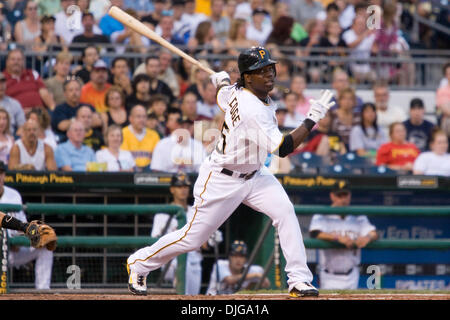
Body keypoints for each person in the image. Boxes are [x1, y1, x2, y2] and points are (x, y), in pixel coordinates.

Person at [126, 46, 336, 297]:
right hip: (222, 179)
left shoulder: (238, 91)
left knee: (285, 211)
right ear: (248, 77)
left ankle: (299, 280)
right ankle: (140, 262)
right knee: (192, 239)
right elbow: (283, 148)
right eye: (262, 70)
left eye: (271, 68)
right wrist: (311, 119)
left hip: (255, 175)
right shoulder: (252, 109)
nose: (270, 74)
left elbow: (223, 96)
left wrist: (222, 81)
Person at [150, 172, 221, 294]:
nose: (183, 190)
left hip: (194, 258)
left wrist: (208, 239)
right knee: (184, 272)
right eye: (179, 187)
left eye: (185, 186)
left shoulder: (196, 212)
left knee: (192, 295)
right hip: (171, 260)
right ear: (172, 189)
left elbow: (213, 239)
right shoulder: (162, 214)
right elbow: (155, 240)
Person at [309, 182, 378, 290]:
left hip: (352, 274)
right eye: (339, 195)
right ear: (332, 196)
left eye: (345, 195)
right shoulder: (323, 214)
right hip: (329, 275)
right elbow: (315, 232)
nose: (342, 199)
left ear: (349, 195)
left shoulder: (358, 216)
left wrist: (367, 237)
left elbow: (374, 232)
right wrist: (338, 238)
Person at [0, 161, 54, 289]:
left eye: (0, 173)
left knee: (45, 246)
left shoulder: (13, 195)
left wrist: (19, 240)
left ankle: (43, 292)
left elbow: (22, 225)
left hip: (14, 250)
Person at [121, 104, 160, 171]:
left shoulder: (154, 135)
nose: (142, 119)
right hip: (129, 171)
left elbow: (158, 159)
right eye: (138, 117)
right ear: (131, 118)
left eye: (144, 117)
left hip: (150, 172)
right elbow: (123, 158)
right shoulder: (122, 133)